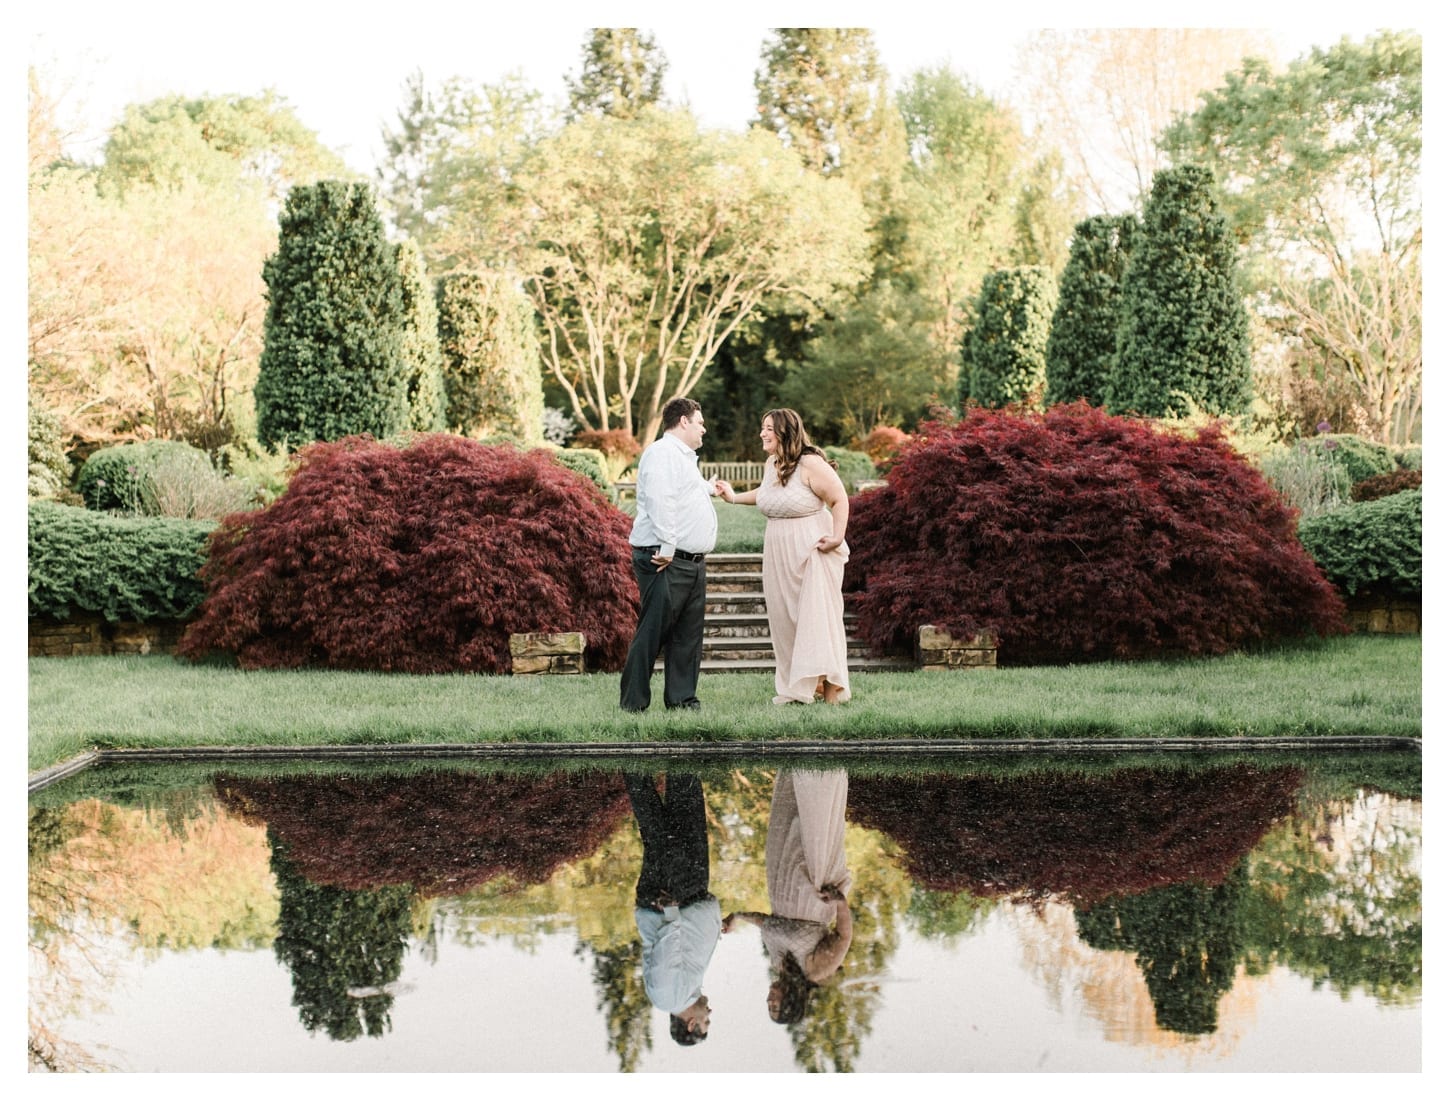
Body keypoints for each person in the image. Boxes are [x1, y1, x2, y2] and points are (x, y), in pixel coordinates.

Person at [716, 408, 851, 704]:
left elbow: (839, 499)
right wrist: (733, 497)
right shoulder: (772, 464)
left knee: (817, 619)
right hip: (778, 555)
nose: (761, 433)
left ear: (784, 432)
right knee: (785, 622)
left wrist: (838, 536)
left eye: (767, 428)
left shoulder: (811, 463)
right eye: (762, 427)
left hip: (812, 552)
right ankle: (798, 688)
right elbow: (768, 496)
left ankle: (831, 691)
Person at [722, 768, 853, 1025]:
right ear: (791, 1001)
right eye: (775, 1006)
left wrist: (737, 916)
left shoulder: (776, 964)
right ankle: (821, 762)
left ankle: (792, 760)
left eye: (769, 1007)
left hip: (781, 884)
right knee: (812, 823)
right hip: (812, 893)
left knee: (785, 813)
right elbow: (843, 936)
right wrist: (840, 902)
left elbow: (769, 924)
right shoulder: (815, 970)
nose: (769, 1001)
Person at [620, 397, 721, 713]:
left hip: (690, 561)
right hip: (664, 559)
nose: (704, 428)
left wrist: (711, 488)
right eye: (700, 422)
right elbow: (659, 500)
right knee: (653, 632)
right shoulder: (662, 453)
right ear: (684, 421)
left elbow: (685, 491)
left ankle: (682, 700)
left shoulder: (683, 457)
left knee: (687, 636)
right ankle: (633, 704)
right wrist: (667, 546)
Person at [624, 772, 720, 1045]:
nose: (709, 1013)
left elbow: (667, 953)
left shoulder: (668, 997)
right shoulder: (685, 992)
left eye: (706, 1021)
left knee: (659, 824)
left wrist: (671, 911)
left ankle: (633, 754)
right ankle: (677, 751)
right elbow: (687, 949)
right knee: (675, 815)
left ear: (691, 1025)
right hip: (685, 890)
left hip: (672, 894)